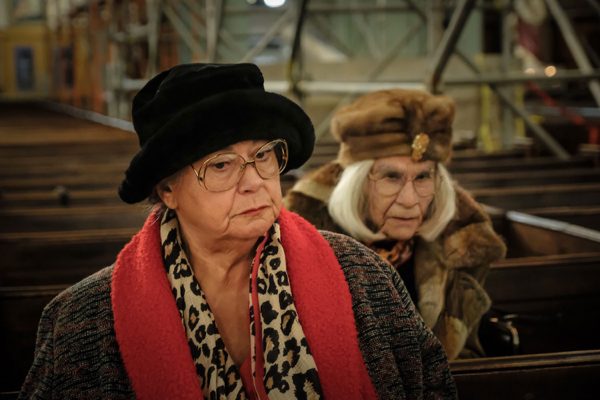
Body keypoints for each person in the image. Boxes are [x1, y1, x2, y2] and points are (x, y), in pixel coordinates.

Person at [19, 64, 457, 400]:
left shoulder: (362, 274)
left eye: (264, 155)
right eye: (222, 165)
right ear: (168, 189)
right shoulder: (83, 321)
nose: (255, 181)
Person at [285, 89, 507, 361]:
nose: (410, 200)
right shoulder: (299, 248)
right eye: (392, 177)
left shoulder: (460, 247)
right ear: (359, 184)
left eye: (423, 177)